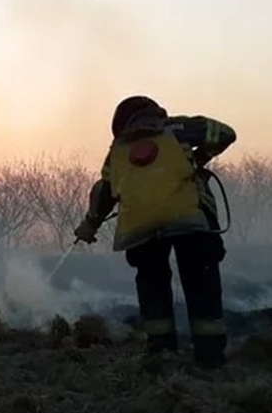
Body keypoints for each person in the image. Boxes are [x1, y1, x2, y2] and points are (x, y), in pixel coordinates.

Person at [73, 96, 237, 370]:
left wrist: (90, 223)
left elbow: (104, 190)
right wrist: (199, 157)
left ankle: (161, 353)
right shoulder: (178, 129)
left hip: (140, 229)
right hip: (189, 222)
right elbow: (225, 133)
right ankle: (210, 358)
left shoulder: (118, 149)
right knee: (201, 284)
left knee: (153, 286)